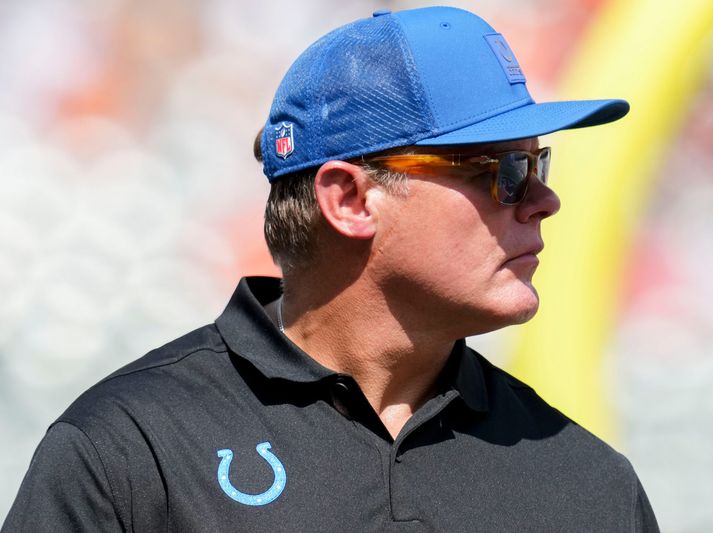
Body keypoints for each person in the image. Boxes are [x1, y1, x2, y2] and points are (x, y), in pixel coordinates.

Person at [3, 6, 659, 532]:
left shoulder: (587, 481)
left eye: (539, 165)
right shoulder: (133, 451)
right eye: (506, 172)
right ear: (349, 198)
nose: (544, 201)